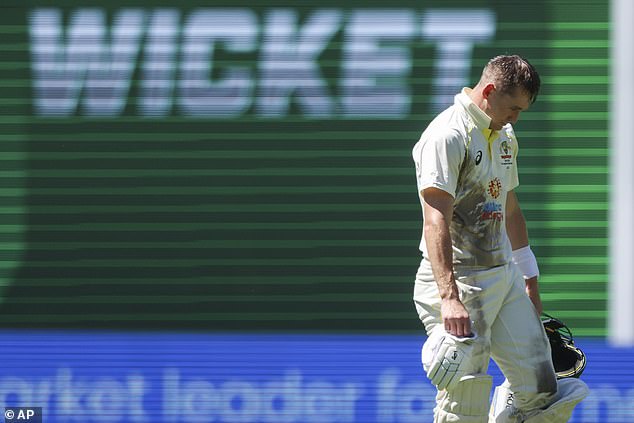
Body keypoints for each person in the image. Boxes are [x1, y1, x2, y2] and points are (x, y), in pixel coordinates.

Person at [411, 55, 588, 422]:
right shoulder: (447, 135)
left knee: (543, 395)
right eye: (512, 108)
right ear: (489, 91)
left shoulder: (505, 136)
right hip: (458, 280)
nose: (516, 118)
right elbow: (435, 220)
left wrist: (529, 280)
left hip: (502, 275)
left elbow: (511, 212)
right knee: (466, 398)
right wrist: (449, 298)